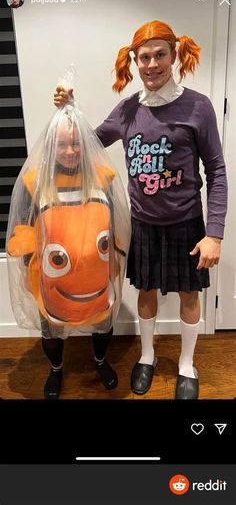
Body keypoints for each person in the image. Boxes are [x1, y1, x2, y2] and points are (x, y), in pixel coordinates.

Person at [54, 20, 228, 399]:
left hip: (187, 223)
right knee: (145, 291)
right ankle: (147, 357)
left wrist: (214, 232)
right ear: (135, 61)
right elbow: (91, 142)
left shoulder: (198, 106)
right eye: (143, 57)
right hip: (143, 224)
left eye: (159, 55)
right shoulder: (129, 109)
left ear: (174, 54)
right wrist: (70, 108)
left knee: (188, 294)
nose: (151, 65)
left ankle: (186, 364)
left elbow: (216, 170)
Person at [7, 106, 130, 399]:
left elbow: (116, 221)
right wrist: (27, 257)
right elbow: (23, 225)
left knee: (103, 323)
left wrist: (116, 254)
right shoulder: (34, 181)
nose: (71, 150)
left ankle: (100, 361)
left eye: (76, 142)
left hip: (97, 276)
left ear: (85, 144)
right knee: (51, 330)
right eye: (62, 143)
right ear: (52, 145)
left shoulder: (103, 177)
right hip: (53, 281)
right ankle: (56, 369)